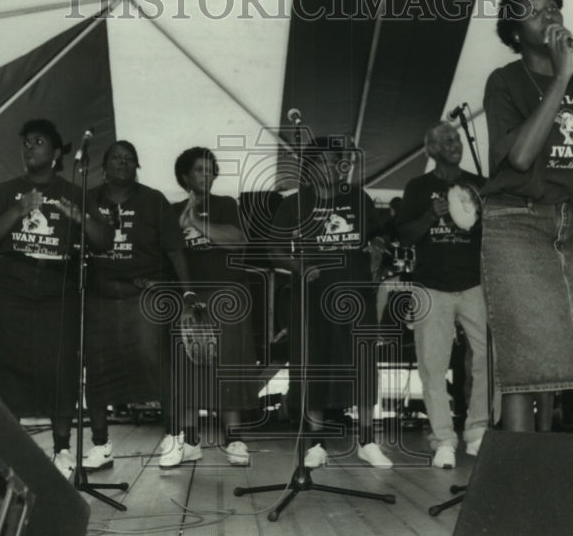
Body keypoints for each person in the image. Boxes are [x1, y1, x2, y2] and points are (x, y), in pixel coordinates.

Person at [481, 0, 573, 435]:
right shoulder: (503, 82)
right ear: (515, 33)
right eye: (534, 12)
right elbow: (520, 156)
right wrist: (561, 75)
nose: (549, 16)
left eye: (552, 7)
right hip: (517, 227)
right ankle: (521, 489)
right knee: (526, 370)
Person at [0, 119, 113, 478]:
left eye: (38, 142)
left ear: (56, 153)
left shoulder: (74, 191)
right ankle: (7, 446)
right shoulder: (5, 191)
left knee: (61, 366)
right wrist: (18, 210)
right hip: (10, 285)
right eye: (26, 142)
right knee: (3, 368)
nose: (29, 147)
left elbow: (104, 241)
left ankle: (62, 450)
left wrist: (80, 216)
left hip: (57, 286)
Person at [271, 136, 393, 468]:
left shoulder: (358, 198)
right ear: (309, 168)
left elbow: (378, 235)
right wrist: (299, 266)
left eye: (335, 161)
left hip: (355, 295)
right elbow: (273, 250)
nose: (330, 167)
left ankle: (367, 440)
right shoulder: (294, 203)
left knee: (364, 366)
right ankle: (315, 442)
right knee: (312, 366)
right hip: (311, 298)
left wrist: (378, 247)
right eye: (322, 162)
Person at [81, 140, 198, 471]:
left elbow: (176, 250)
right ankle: (101, 445)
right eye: (115, 157)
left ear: (137, 167)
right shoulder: (88, 199)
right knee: (97, 369)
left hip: (142, 295)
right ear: (104, 166)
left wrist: (188, 295)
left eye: (129, 159)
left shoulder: (153, 201)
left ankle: (174, 437)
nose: (122, 163)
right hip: (100, 295)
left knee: (155, 363)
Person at [397, 120, 499, 467]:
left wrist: (484, 217)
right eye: (446, 140)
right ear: (431, 149)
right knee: (432, 367)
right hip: (430, 286)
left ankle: (478, 430)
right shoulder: (417, 186)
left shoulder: (479, 185)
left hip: (474, 283)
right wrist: (430, 215)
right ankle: (443, 439)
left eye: (456, 138)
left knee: (489, 359)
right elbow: (405, 236)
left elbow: (497, 236)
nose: (454, 143)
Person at [172, 146, 260, 466]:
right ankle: (190, 440)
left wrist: (195, 220)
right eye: (198, 170)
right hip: (193, 297)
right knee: (189, 365)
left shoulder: (224, 204)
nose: (206, 175)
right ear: (185, 176)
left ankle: (234, 439)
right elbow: (171, 256)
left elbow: (238, 240)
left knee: (229, 367)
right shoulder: (172, 211)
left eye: (210, 169)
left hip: (228, 295)